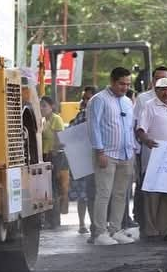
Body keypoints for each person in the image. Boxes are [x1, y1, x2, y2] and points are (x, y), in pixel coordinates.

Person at [88, 67, 137, 246]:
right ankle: (100, 233)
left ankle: (115, 230)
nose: (125, 87)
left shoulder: (127, 102)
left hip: (126, 154)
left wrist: (133, 150)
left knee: (121, 194)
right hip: (106, 154)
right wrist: (99, 151)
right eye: (121, 83)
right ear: (112, 81)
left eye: (127, 84)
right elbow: (93, 127)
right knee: (104, 193)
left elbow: (130, 127)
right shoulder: (99, 99)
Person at [135, 77, 167, 241]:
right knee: (152, 194)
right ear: (156, 90)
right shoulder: (149, 106)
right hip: (154, 155)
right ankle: (151, 229)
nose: (166, 92)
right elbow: (140, 130)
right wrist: (147, 140)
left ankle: (165, 229)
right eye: (163, 89)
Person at [67, 87, 97, 234]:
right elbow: (70, 133)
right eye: (84, 98)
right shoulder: (82, 114)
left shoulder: (89, 114)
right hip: (82, 158)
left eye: (88, 98)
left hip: (91, 159)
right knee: (83, 195)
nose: (85, 101)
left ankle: (93, 224)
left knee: (90, 195)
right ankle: (83, 224)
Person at [40, 96, 69, 219]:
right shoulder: (41, 120)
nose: (42, 108)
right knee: (45, 188)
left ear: (52, 107)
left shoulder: (56, 119)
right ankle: (48, 217)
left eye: (44, 105)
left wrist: (54, 153)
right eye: (40, 105)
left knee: (53, 187)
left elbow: (60, 140)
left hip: (54, 157)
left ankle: (54, 218)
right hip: (43, 157)